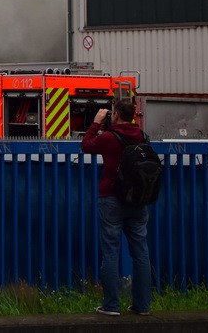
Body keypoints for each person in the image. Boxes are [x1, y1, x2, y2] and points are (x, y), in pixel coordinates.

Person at [80, 99, 152, 317]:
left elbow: (86, 145)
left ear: (116, 116)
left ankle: (111, 305)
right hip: (138, 201)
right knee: (141, 253)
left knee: (111, 252)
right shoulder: (141, 136)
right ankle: (142, 305)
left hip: (111, 199)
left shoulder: (110, 138)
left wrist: (95, 123)